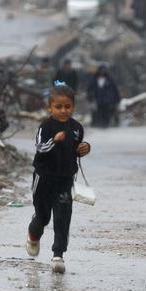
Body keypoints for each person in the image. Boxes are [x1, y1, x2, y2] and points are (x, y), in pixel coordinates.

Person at [26, 83, 92, 274]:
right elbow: (40, 148)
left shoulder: (76, 128)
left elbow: (77, 149)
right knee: (43, 216)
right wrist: (54, 140)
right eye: (58, 107)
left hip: (65, 180)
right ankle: (34, 233)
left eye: (67, 107)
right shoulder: (45, 127)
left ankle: (58, 255)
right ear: (50, 108)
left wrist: (85, 148)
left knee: (63, 217)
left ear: (73, 107)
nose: (63, 111)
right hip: (44, 178)